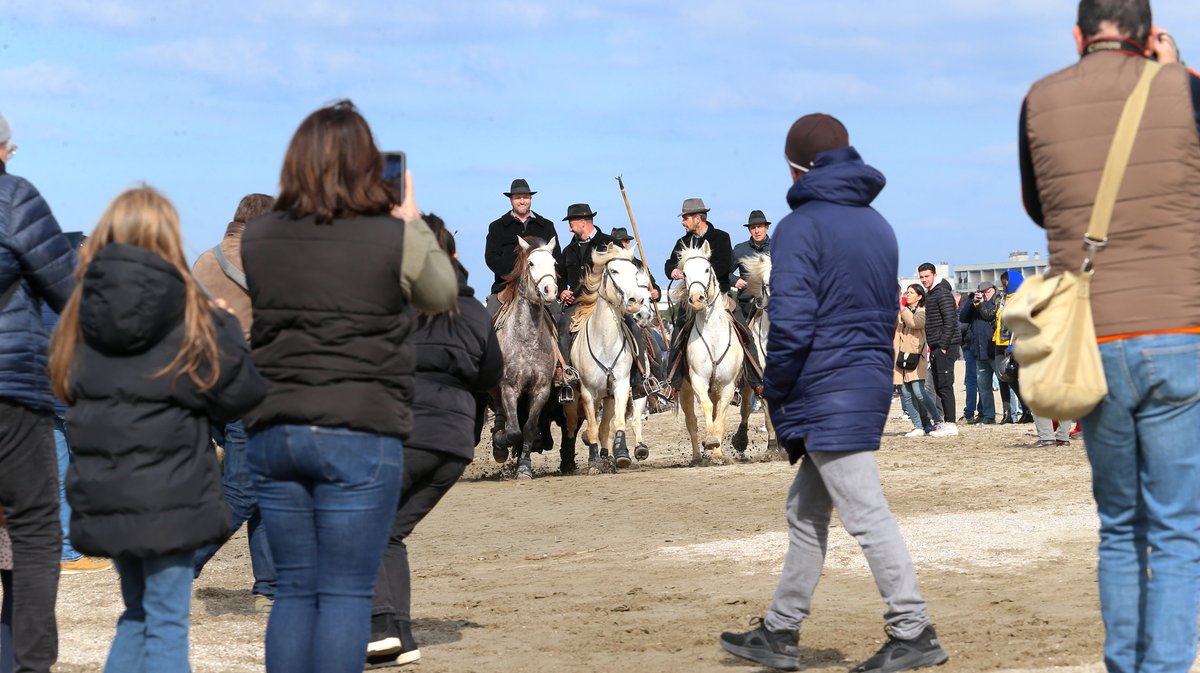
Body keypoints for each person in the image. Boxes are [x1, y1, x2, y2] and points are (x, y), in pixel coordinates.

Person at [719, 113, 947, 673]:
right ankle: (779, 629)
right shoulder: (878, 225)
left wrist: (773, 386)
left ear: (797, 166)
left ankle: (913, 629)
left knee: (867, 514)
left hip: (825, 388)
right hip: (863, 381)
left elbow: (792, 323)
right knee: (805, 509)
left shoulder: (800, 227)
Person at [240, 100, 456, 673]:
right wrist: (407, 217)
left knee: (295, 590)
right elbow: (440, 293)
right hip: (359, 426)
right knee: (343, 593)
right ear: (367, 166)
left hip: (277, 425)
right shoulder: (389, 236)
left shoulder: (260, 236)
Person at [1019, 2, 1200, 670]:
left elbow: (1040, 205)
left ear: (1079, 35)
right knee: (1179, 528)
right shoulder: (1183, 88)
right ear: (1148, 33)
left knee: (1120, 526)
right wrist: (1175, 70)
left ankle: (1126, 664)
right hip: (1177, 325)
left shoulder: (1039, 99)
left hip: (1090, 337)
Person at [50, 185, 267, 673]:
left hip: (106, 489)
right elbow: (241, 397)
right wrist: (229, 333)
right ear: (167, 235)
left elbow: (66, 391)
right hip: (171, 489)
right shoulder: (191, 310)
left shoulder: (79, 312)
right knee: (166, 620)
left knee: (139, 614)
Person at [367, 215, 503, 667]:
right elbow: (491, 375)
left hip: (408, 431)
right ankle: (400, 638)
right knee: (390, 532)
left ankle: (380, 626)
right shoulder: (476, 311)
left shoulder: (394, 305)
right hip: (455, 442)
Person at [0, 112, 78, 673]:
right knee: (34, 530)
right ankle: (31, 665)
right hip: (9, 392)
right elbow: (69, 288)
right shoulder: (14, 197)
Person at [191, 193, 278, 613]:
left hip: (208, 389)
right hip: (252, 388)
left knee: (260, 484)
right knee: (242, 491)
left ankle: (269, 585)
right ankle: (178, 566)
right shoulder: (270, 262)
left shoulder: (204, 261)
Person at [40, 236, 113, 576]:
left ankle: (67, 550)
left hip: (42, 393)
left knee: (59, 473)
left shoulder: (35, 289)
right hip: (76, 394)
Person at [483, 179, 563, 316]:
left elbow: (556, 256)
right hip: (506, 285)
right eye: (517, 198)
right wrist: (514, 274)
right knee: (487, 319)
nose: (522, 201)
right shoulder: (497, 227)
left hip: (540, 286)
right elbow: (491, 257)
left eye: (525, 197)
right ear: (511, 200)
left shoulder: (546, 226)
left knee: (559, 317)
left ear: (530, 199)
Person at [556, 203, 614, 377]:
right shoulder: (567, 251)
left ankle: (640, 380)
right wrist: (562, 291)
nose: (569, 229)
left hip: (606, 301)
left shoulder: (610, 244)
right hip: (577, 303)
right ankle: (565, 373)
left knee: (633, 327)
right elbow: (560, 278)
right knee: (562, 325)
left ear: (582, 222)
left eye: (571, 223)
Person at [917, 262, 960, 437]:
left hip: (945, 346)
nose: (924, 280)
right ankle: (944, 422)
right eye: (921, 277)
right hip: (936, 344)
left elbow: (950, 320)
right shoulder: (932, 294)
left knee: (945, 385)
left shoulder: (941, 293)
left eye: (927, 276)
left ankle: (951, 423)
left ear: (934, 275)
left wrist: (943, 345)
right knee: (939, 385)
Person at [895, 284, 943, 437]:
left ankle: (938, 421)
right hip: (899, 356)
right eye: (906, 292)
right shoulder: (902, 311)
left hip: (916, 356)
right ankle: (917, 426)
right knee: (906, 393)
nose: (907, 295)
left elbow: (915, 323)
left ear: (920, 296)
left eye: (911, 293)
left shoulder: (923, 311)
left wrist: (902, 309)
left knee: (919, 392)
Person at [959, 281, 999, 424]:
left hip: (995, 350)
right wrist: (971, 302)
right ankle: (988, 415)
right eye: (981, 292)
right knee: (983, 386)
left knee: (1006, 384)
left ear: (994, 290)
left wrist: (982, 304)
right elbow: (962, 318)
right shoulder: (975, 305)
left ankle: (1013, 413)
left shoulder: (998, 302)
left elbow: (989, 315)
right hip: (979, 351)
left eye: (987, 291)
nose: (984, 295)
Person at [730, 210, 772, 324]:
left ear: (766, 227)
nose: (757, 231)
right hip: (747, 304)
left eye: (760, 226)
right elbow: (724, 272)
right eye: (753, 227)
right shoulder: (739, 250)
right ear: (749, 230)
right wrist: (735, 280)